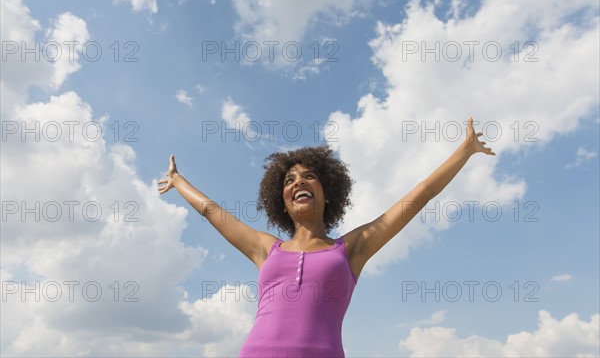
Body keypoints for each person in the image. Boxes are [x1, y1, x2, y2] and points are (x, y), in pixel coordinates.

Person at [158, 117, 495, 357]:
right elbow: (212, 212)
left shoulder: (350, 249)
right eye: (289, 180)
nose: (298, 182)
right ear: (283, 202)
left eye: (309, 176)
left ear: (328, 192)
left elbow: (420, 196)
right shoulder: (265, 249)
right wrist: (178, 181)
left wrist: (463, 152)